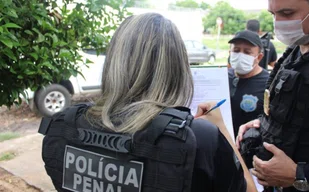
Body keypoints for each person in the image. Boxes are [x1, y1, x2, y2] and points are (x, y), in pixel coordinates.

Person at [38, 13, 256, 192]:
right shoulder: (201, 137)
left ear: (114, 60)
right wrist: (221, 131)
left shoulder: (64, 124)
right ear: (177, 67)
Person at [236, 0, 309, 191]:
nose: (278, 23)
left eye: (287, 13)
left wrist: (300, 175)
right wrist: (264, 124)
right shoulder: (299, 48)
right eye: (273, 14)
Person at [228, 30, 269, 138]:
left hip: (248, 147)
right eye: (236, 50)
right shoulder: (222, 78)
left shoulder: (269, 84)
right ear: (229, 53)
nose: (240, 55)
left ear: (259, 57)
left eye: (247, 52)